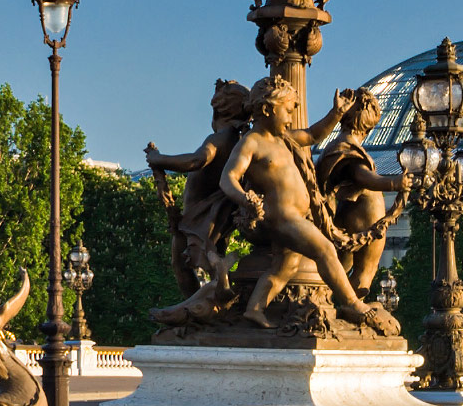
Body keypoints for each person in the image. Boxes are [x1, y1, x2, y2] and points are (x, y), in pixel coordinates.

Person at [220, 76, 397, 335]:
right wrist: (245, 198)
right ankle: (350, 303)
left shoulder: (283, 138)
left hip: (297, 216)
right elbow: (228, 178)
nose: (291, 117)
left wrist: (336, 113)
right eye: (288, 110)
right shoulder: (252, 142)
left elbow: (314, 134)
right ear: (268, 109)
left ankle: (254, 308)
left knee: (285, 267)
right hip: (282, 217)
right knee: (325, 249)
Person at [146, 79, 250, 297]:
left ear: (221, 109)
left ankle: (200, 313)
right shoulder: (235, 139)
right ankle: (212, 305)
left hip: (201, 216)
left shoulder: (220, 138)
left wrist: (159, 159)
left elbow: (196, 161)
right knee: (209, 260)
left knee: (182, 264)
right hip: (211, 212)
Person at [316, 89, 412, 299]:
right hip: (364, 222)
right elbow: (361, 176)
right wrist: (395, 183)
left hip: (352, 217)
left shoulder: (339, 145)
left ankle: (338, 304)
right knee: (364, 273)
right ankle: (351, 307)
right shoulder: (346, 147)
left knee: (341, 270)